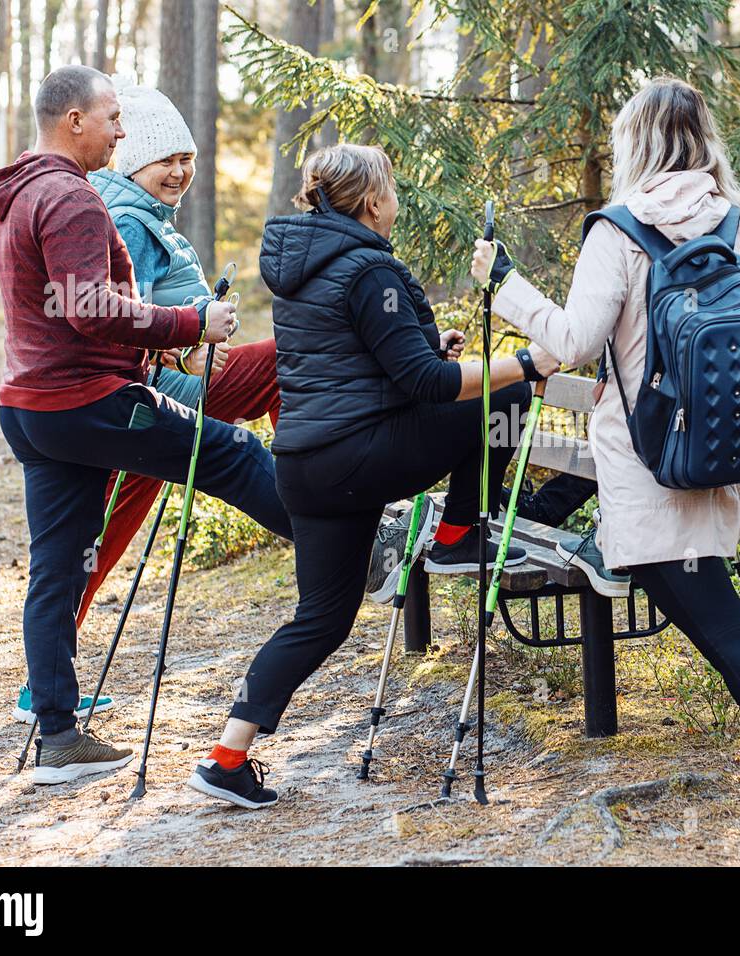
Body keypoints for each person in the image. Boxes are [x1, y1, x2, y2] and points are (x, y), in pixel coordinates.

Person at [473, 77, 740, 846]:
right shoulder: (739, 221)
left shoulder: (617, 230)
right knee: (728, 635)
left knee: (731, 640)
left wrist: (504, 287)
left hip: (652, 469)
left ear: (637, 144)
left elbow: (574, 345)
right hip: (728, 461)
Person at [186, 144, 556, 809]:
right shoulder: (367, 271)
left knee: (320, 619)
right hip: (358, 456)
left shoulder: (306, 268)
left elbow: (369, 365)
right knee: (503, 400)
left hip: (305, 464)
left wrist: (427, 347)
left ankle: (225, 758)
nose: (396, 197)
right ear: (370, 200)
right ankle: (457, 534)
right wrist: (525, 363)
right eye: (390, 186)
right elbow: (425, 384)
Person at [0, 65, 292, 784]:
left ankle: (58, 737)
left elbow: (69, 309)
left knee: (58, 565)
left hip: (32, 410)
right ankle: (347, 539)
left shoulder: (24, 192)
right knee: (237, 455)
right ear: (74, 122)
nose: (123, 133)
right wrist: (194, 322)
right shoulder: (70, 198)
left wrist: (159, 335)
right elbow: (87, 306)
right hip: (87, 402)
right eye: (113, 119)